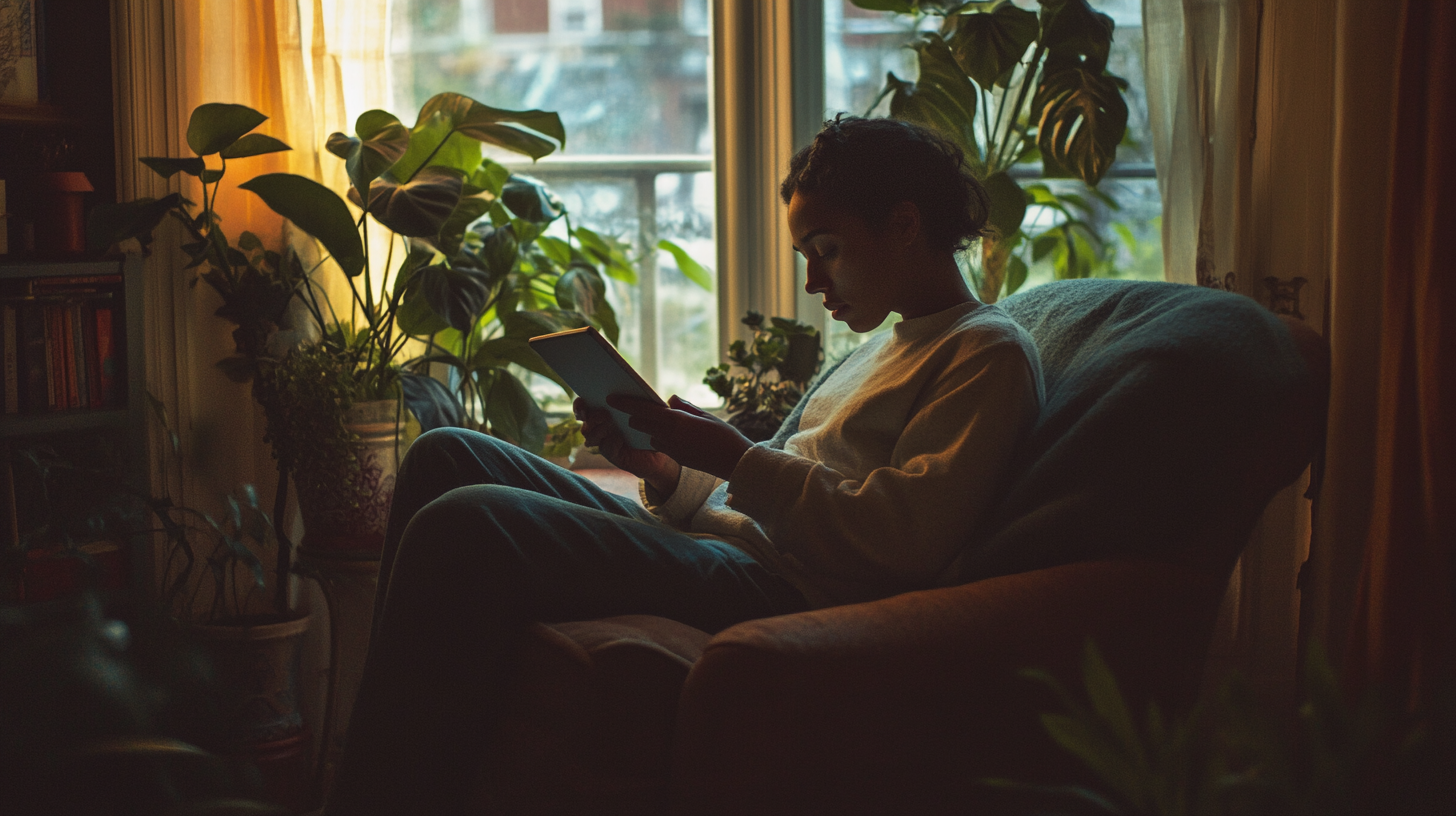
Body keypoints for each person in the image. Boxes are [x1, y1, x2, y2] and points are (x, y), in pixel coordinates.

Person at [324, 115, 1044, 815]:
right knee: (445, 454)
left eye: (827, 248)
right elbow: (764, 488)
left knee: (470, 520)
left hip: (789, 590)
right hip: (727, 548)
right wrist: (669, 471)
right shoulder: (883, 345)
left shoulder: (985, 352)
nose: (814, 280)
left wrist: (734, 454)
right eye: (805, 256)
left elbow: (903, 537)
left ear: (905, 224)